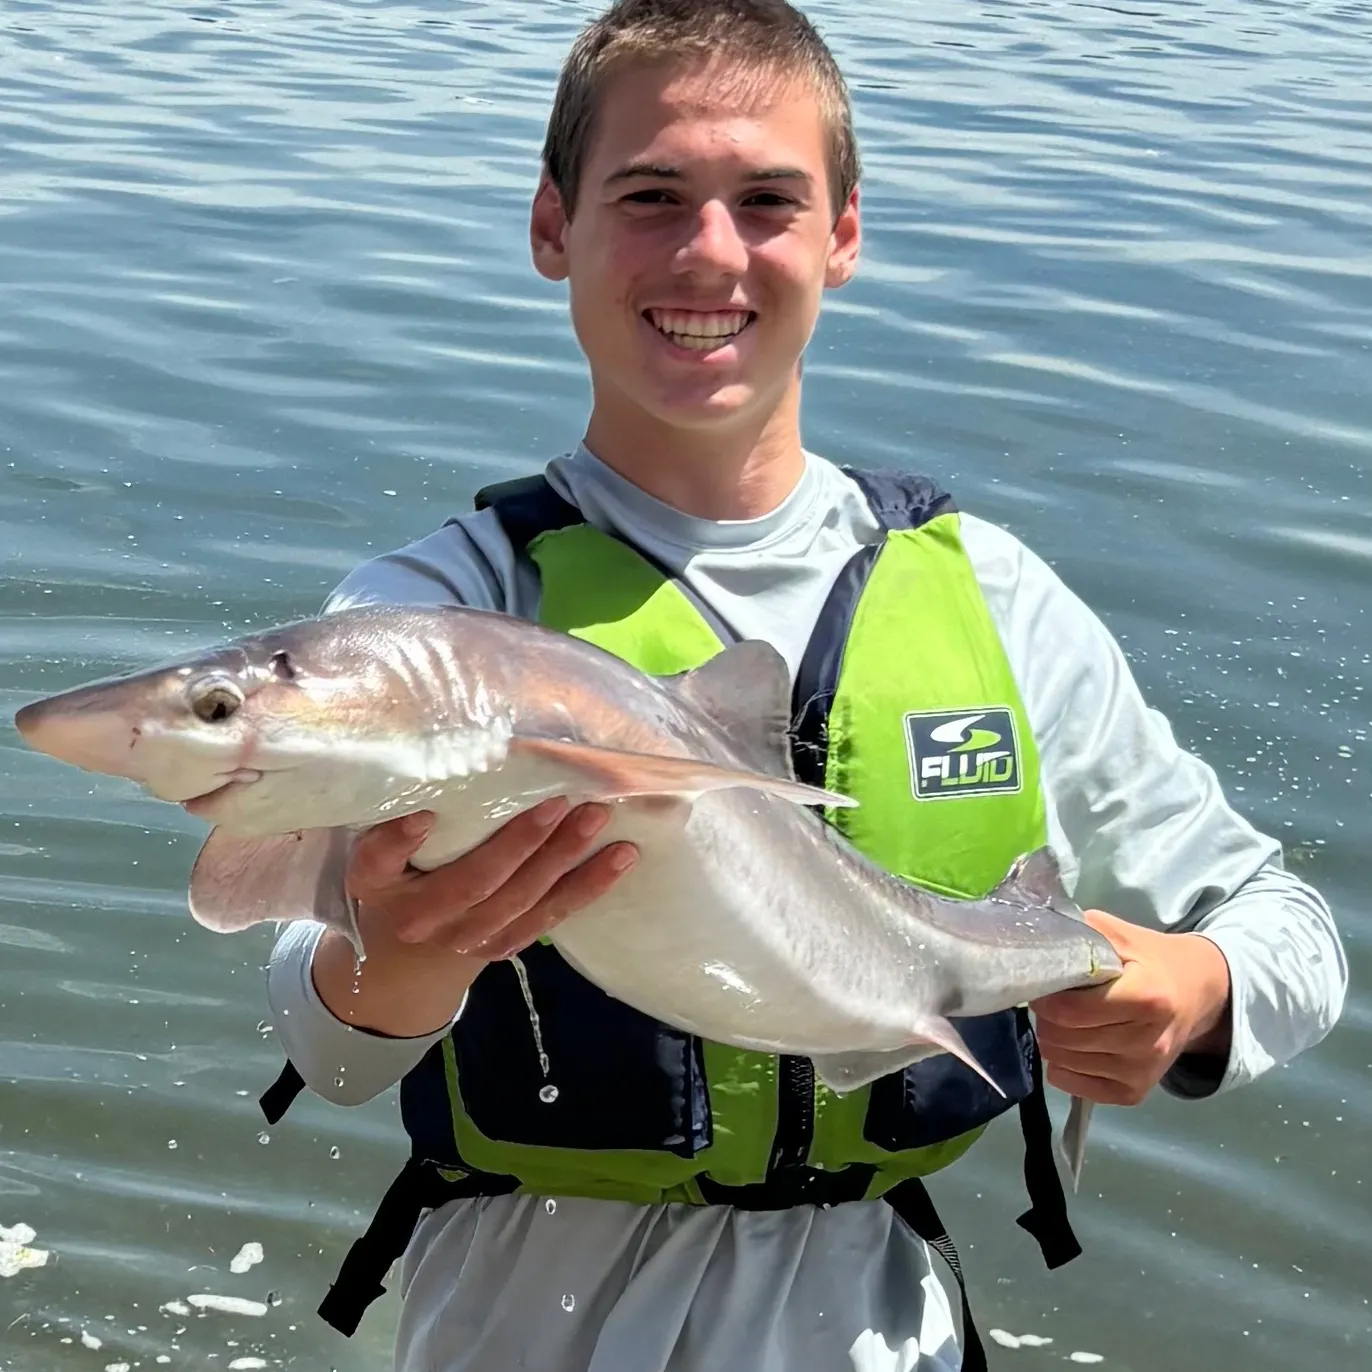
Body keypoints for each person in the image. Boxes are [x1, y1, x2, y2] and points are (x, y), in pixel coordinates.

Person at [262, 2, 1347, 1369]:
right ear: (554, 228)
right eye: (651, 196)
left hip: (883, 1314)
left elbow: (1294, 934)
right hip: (514, 1314)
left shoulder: (991, 600)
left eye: (768, 202)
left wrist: (1195, 989)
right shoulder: (436, 618)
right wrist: (400, 959)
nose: (710, 251)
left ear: (843, 234)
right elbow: (331, 1046)